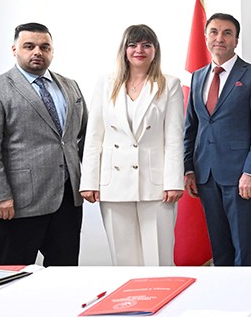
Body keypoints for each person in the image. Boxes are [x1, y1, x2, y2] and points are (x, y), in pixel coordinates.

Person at [0, 22, 88, 266]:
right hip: (16, 204)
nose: (37, 52)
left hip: (67, 202)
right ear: (14, 49)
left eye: (45, 47)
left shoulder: (70, 86)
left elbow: (84, 136)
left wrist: (88, 181)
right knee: (12, 276)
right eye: (29, 46)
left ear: (52, 51)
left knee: (65, 274)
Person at [78, 25, 184, 266]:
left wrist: (173, 182)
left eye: (146, 45)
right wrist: (89, 182)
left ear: (155, 50)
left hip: (157, 185)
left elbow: (174, 138)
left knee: (158, 259)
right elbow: (94, 136)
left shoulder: (170, 84)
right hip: (114, 184)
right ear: (124, 50)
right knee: (123, 260)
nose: (139, 50)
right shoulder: (106, 83)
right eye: (133, 45)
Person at [183, 13, 251, 266]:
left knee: (242, 245)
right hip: (205, 174)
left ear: (236, 40)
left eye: (227, 33)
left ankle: (247, 289)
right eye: (214, 32)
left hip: (239, 176)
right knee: (219, 245)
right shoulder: (198, 76)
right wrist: (188, 168)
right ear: (206, 37)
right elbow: (191, 127)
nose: (219, 38)